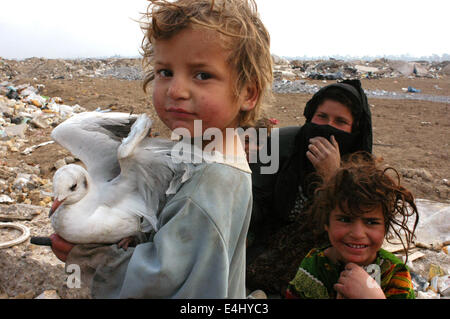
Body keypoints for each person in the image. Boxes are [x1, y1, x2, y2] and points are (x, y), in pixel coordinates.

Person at [50, 0, 273, 299]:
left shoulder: (210, 181)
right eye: (165, 72)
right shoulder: (200, 152)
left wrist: (94, 259)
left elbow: (166, 281)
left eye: (202, 75)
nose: (176, 91)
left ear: (247, 93)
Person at [246, 79, 373, 294]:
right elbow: (255, 199)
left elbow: (357, 224)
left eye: (340, 121)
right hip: (271, 242)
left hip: (329, 251)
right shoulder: (282, 143)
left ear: (354, 129)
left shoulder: (360, 166)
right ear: (310, 116)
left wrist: (333, 178)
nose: (327, 127)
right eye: (321, 117)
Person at [285, 152, 418, 299]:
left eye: (371, 222)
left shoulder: (394, 274)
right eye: (345, 220)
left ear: (385, 228)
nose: (358, 233)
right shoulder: (314, 268)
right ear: (326, 223)